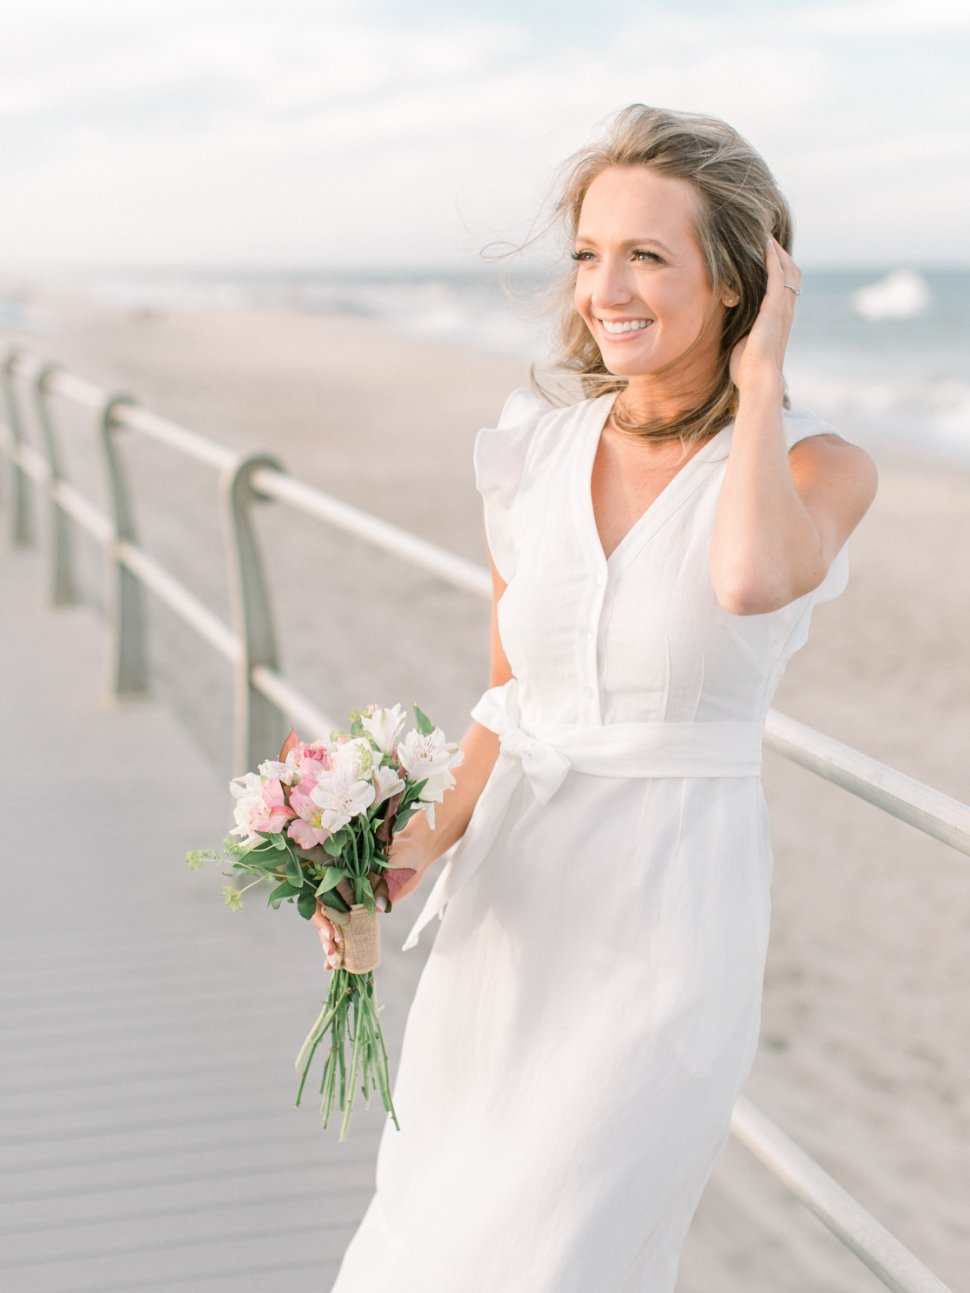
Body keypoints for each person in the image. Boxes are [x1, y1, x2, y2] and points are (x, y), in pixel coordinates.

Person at [315, 104, 877, 1292]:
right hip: (510, 909)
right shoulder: (531, 453)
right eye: (586, 254)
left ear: (737, 279)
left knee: (563, 1250)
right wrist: (404, 852)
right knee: (439, 1235)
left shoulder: (818, 468)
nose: (603, 289)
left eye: (647, 255)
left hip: (667, 912)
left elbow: (751, 577)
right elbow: (512, 693)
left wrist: (762, 381)